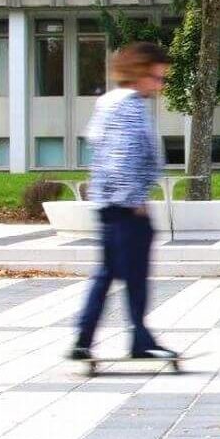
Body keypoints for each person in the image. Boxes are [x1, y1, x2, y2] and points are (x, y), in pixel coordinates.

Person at [70, 42, 178, 362]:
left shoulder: (107, 103)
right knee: (132, 273)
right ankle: (135, 340)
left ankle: (87, 338)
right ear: (140, 73)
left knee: (111, 271)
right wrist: (134, 200)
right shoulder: (129, 106)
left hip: (108, 204)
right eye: (157, 78)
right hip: (125, 206)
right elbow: (123, 157)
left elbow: (98, 145)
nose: (160, 86)